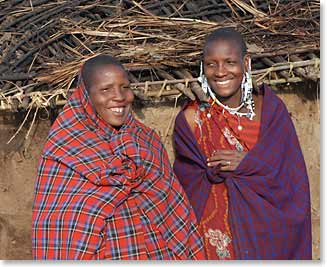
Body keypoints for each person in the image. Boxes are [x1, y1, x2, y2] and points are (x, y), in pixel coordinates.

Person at [32, 54, 205, 260]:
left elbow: (175, 212)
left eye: (125, 87)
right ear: (85, 95)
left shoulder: (146, 141)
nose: (119, 97)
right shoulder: (65, 147)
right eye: (105, 89)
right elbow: (63, 229)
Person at [173, 28, 312, 260]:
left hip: (267, 234)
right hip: (215, 239)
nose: (220, 72)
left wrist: (250, 164)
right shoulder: (190, 120)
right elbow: (187, 185)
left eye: (230, 62)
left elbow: (291, 177)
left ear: (245, 63)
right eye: (211, 64)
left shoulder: (271, 111)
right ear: (202, 68)